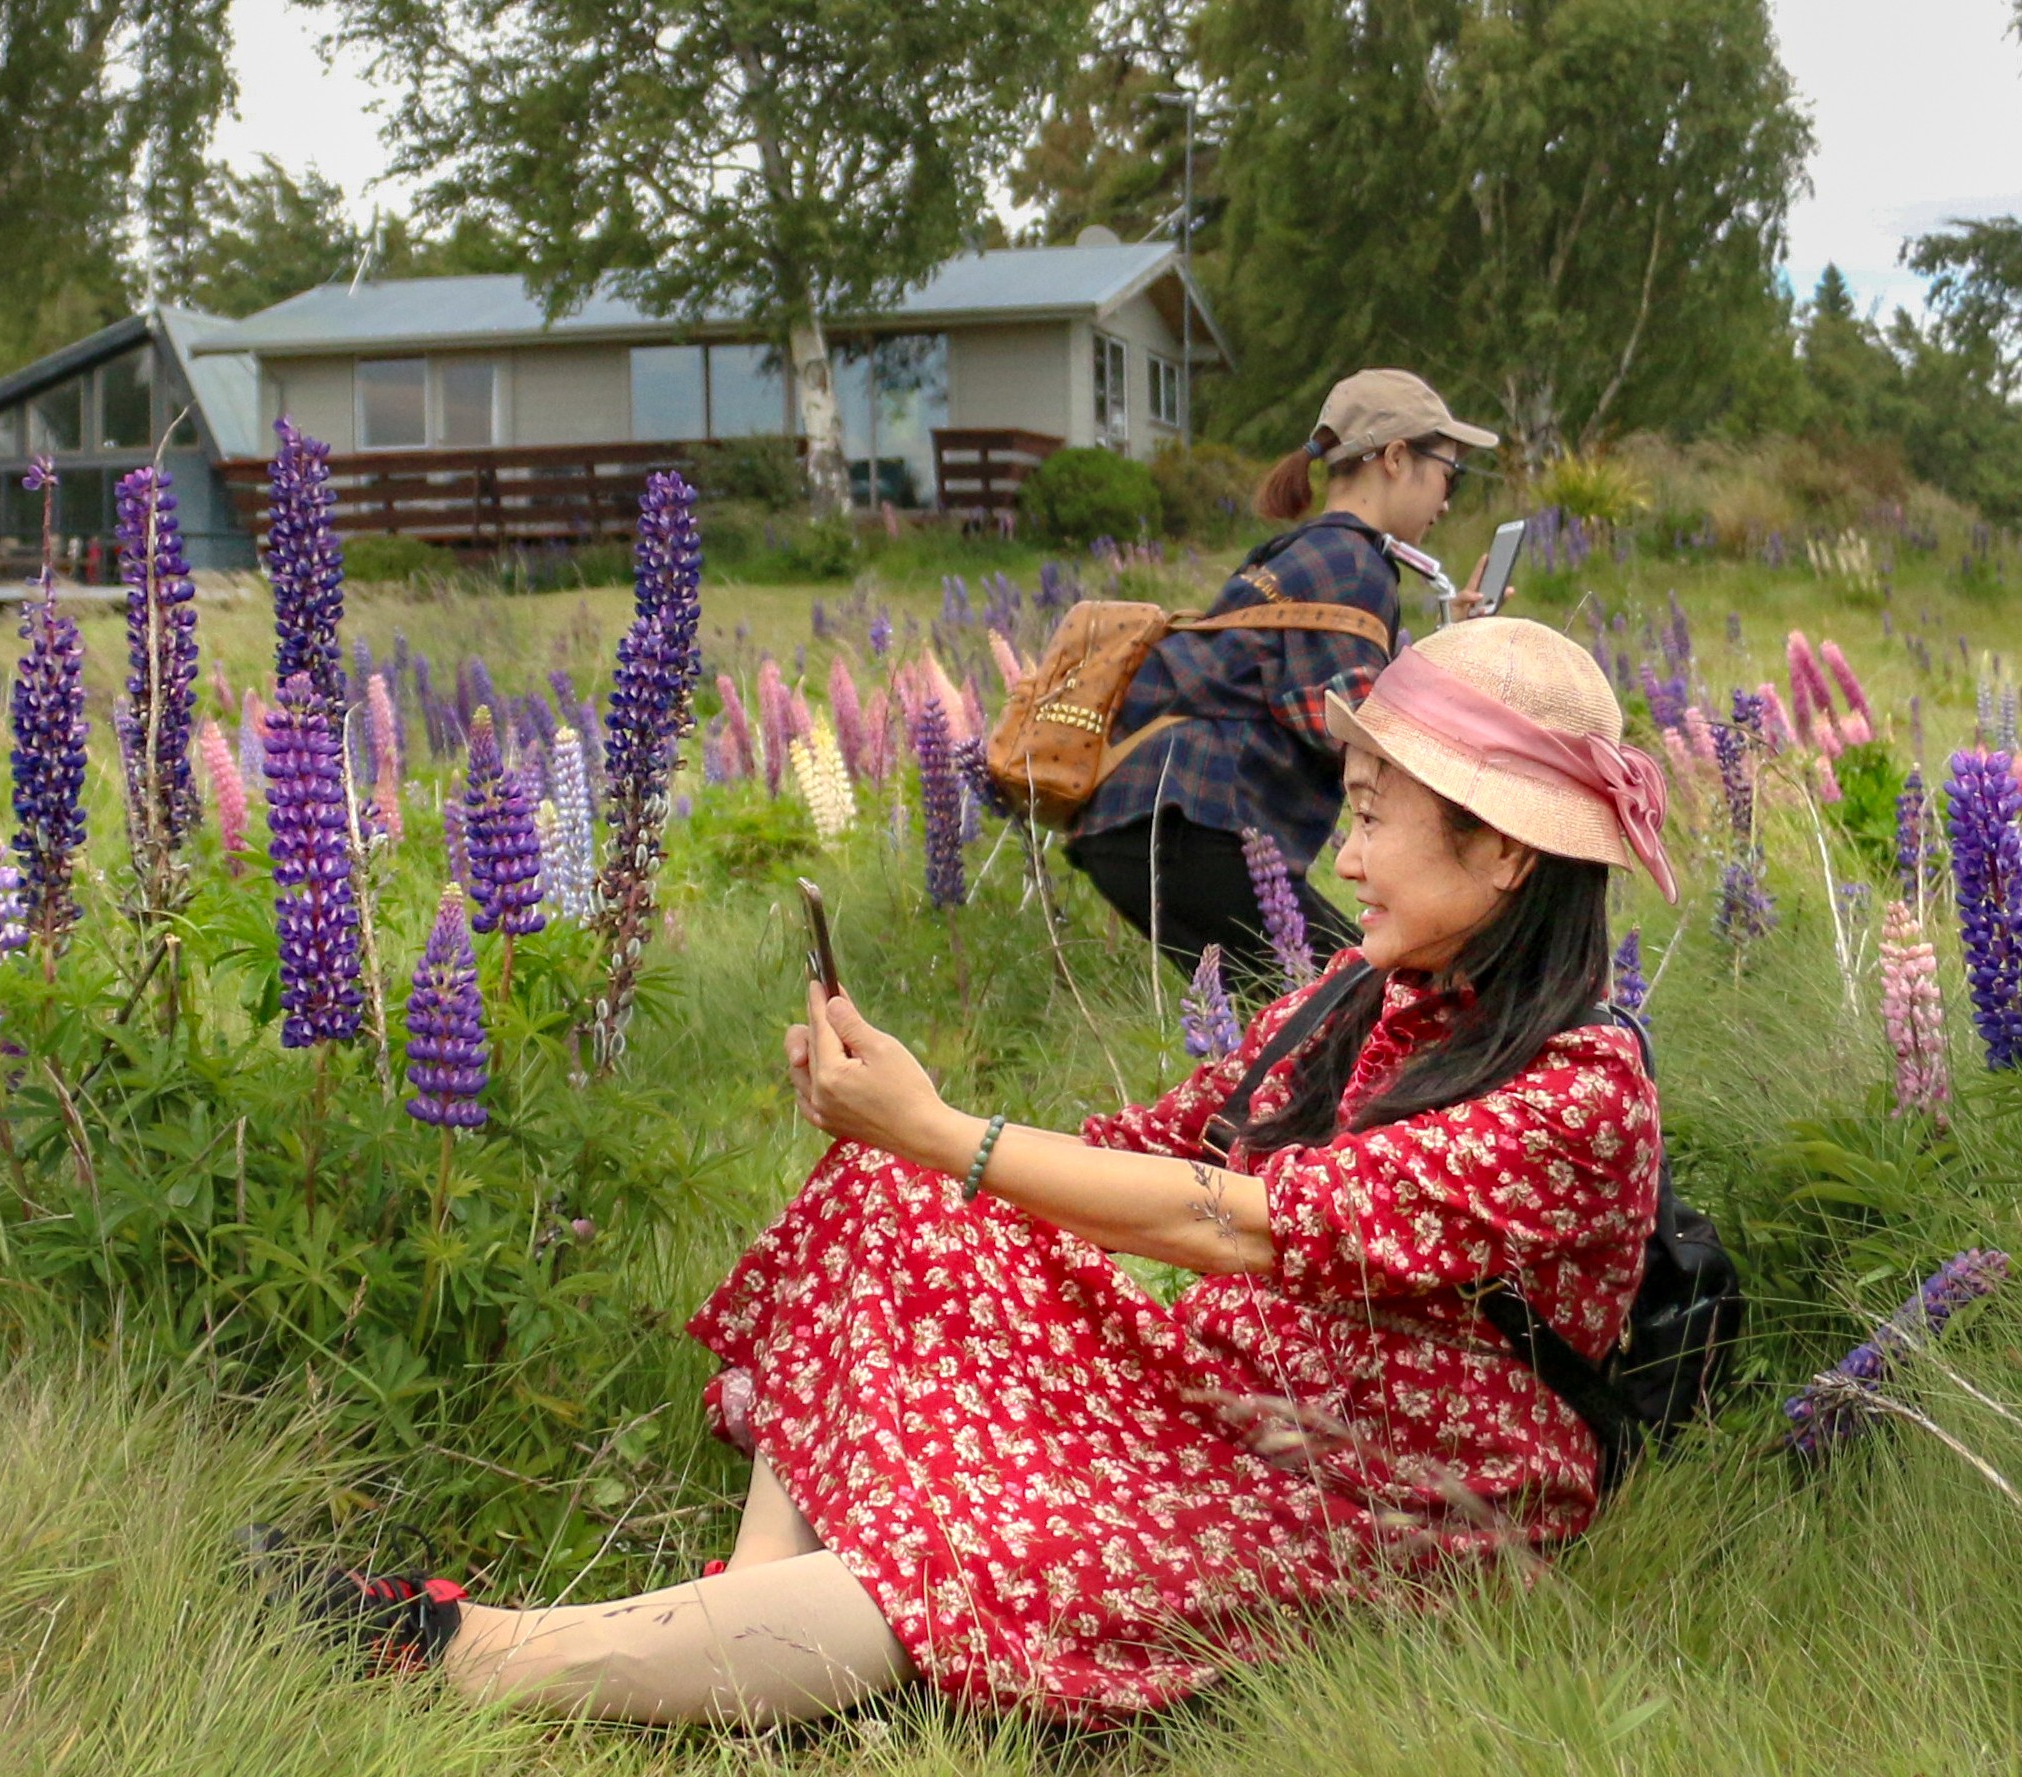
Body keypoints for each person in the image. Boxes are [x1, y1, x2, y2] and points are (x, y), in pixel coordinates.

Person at [282, 618, 1678, 1728]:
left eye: (1375, 819)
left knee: (989, 1541)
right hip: (1247, 1387)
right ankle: (749, 1635)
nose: (1342, 855)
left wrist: (947, 1131)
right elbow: (1155, 1147)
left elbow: (1247, 1227)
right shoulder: (1354, 998)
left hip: (1401, 1485)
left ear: (1502, 851)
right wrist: (913, 1122)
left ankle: (466, 1651)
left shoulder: (1579, 1092)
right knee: (895, 1208)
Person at [1067, 368, 1498, 990]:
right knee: (1366, 1002)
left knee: (1293, 1025)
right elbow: (1350, 726)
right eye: (1448, 474)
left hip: (1134, 822)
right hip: (1195, 825)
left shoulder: (1300, 552)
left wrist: (1450, 645)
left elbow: (1312, 693)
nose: (1447, 498)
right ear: (1398, 458)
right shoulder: (1354, 565)